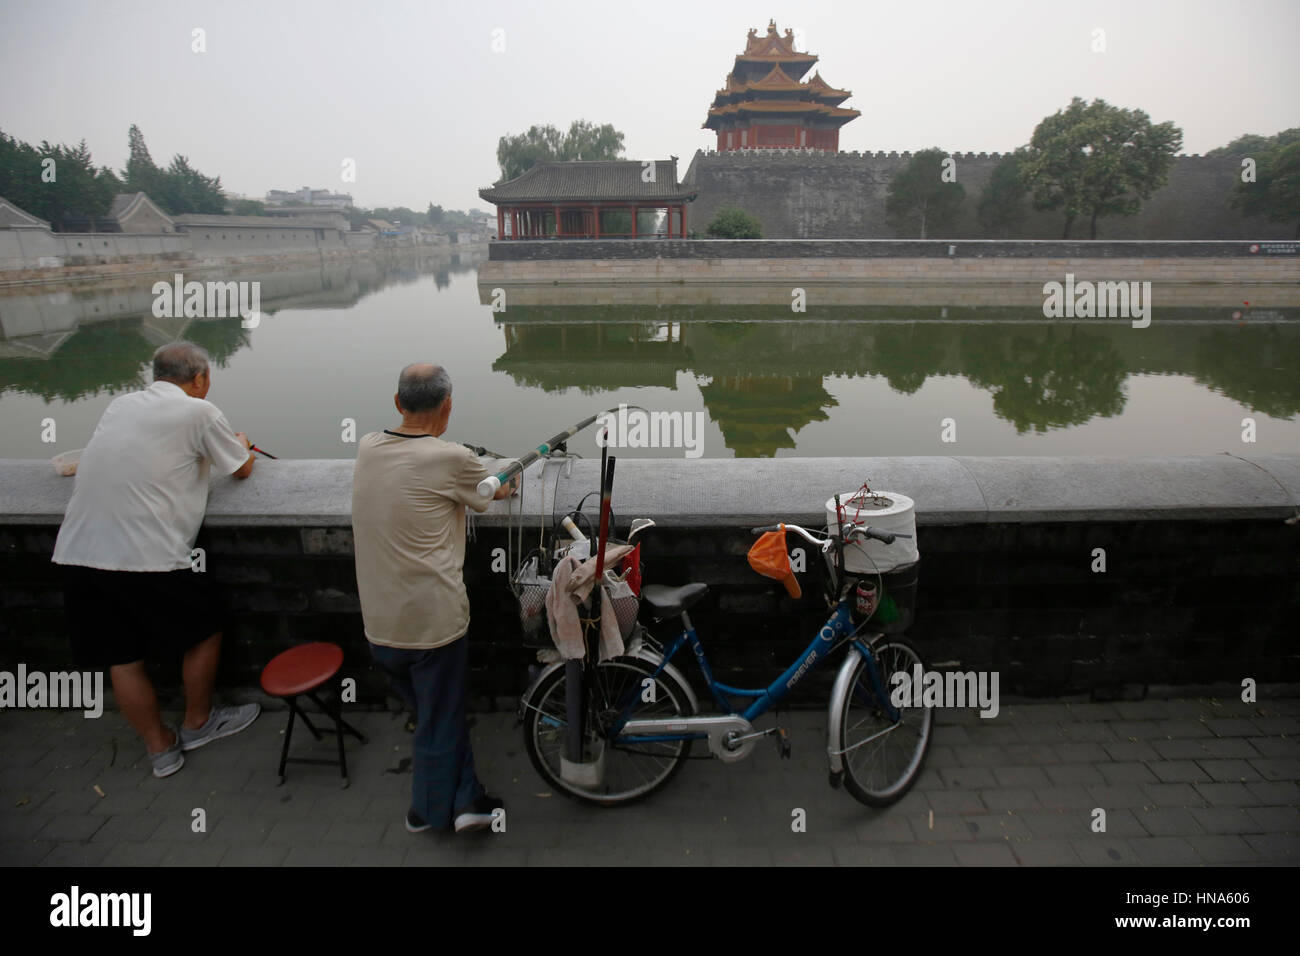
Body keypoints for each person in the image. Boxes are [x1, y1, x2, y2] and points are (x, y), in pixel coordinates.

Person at [52, 341, 261, 778]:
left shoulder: (120, 405)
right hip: (148, 555)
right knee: (204, 630)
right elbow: (240, 467)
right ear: (201, 378)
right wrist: (240, 443)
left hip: (80, 553)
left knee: (122, 656)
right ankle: (198, 722)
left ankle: (160, 749)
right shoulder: (200, 412)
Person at [351, 363, 516, 834]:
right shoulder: (453, 458)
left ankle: (471, 802)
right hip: (432, 625)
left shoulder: (368, 447)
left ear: (398, 404)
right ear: (447, 407)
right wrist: (506, 476)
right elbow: (497, 488)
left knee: (432, 717)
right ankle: (426, 812)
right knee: (439, 721)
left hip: (379, 625)